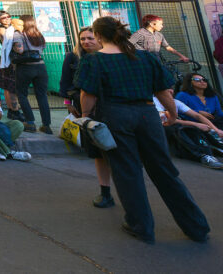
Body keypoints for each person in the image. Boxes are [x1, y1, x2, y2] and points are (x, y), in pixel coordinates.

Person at [77, 16, 209, 244]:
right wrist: (173, 113)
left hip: (115, 115)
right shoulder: (146, 57)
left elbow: (88, 94)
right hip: (147, 114)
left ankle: (141, 226)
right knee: (164, 170)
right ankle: (196, 227)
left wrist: (86, 116)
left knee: (127, 172)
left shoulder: (93, 61)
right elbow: (163, 91)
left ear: (98, 36)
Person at [61, 26, 114, 208]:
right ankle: (105, 192)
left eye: (90, 38)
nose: (86, 42)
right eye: (83, 39)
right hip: (85, 109)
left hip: (110, 108)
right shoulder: (73, 57)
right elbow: (65, 83)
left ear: (99, 39)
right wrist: (69, 104)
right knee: (97, 152)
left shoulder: (110, 57)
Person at [157, 95, 223, 170]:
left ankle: (212, 150)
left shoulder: (175, 102)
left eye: (171, 90)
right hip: (161, 129)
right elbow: (165, 120)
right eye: (167, 90)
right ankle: (202, 156)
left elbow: (197, 116)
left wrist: (216, 130)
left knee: (196, 129)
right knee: (177, 128)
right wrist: (196, 124)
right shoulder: (154, 101)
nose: (171, 91)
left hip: (175, 125)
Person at [12, 15, 52, 134]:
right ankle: (46, 125)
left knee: (22, 94)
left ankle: (30, 123)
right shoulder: (38, 35)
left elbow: (19, 50)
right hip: (41, 67)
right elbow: (42, 49)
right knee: (42, 96)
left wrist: (14, 47)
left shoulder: (18, 34)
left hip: (25, 67)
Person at [0, 10, 23, 121]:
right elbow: (9, 44)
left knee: (9, 86)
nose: (7, 19)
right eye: (4, 18)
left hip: (9, 59)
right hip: (9, 60)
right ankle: (14, 110)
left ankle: (13, 110)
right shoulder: (2, 30)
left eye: (8, 16)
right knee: (10, 87)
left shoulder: (10, 28)